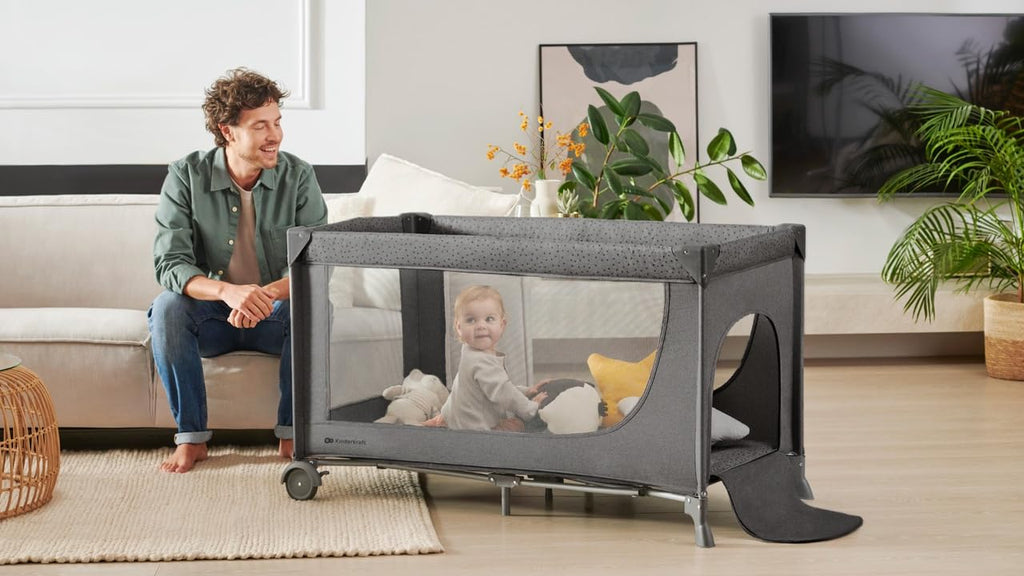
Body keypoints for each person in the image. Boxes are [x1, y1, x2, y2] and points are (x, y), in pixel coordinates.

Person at [149, 68, 327, 473]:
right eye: (260, 126)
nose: (275, 135)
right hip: (212, 321)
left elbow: (315, 263)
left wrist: (262, 295)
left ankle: (293, 434)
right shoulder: (185, 175)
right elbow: (170, 263)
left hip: (274, 317)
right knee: (167, 308)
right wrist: (229, 292)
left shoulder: (298, 175)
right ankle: (192, 439)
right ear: (227, 131)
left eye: (277, 122)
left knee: (312, 306)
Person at [424, 285, 548, 431]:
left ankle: (443, 421)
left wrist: (526, 391)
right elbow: (503, 393)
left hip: (455, 415)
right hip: (474, 428)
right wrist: (530, 407)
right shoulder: (482, 362)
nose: (480, 326)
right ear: (459, 327)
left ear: (502, 325)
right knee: (519, 425)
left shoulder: (469, 350)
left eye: (489, 319)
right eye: (471, 320)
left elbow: (489, 387)